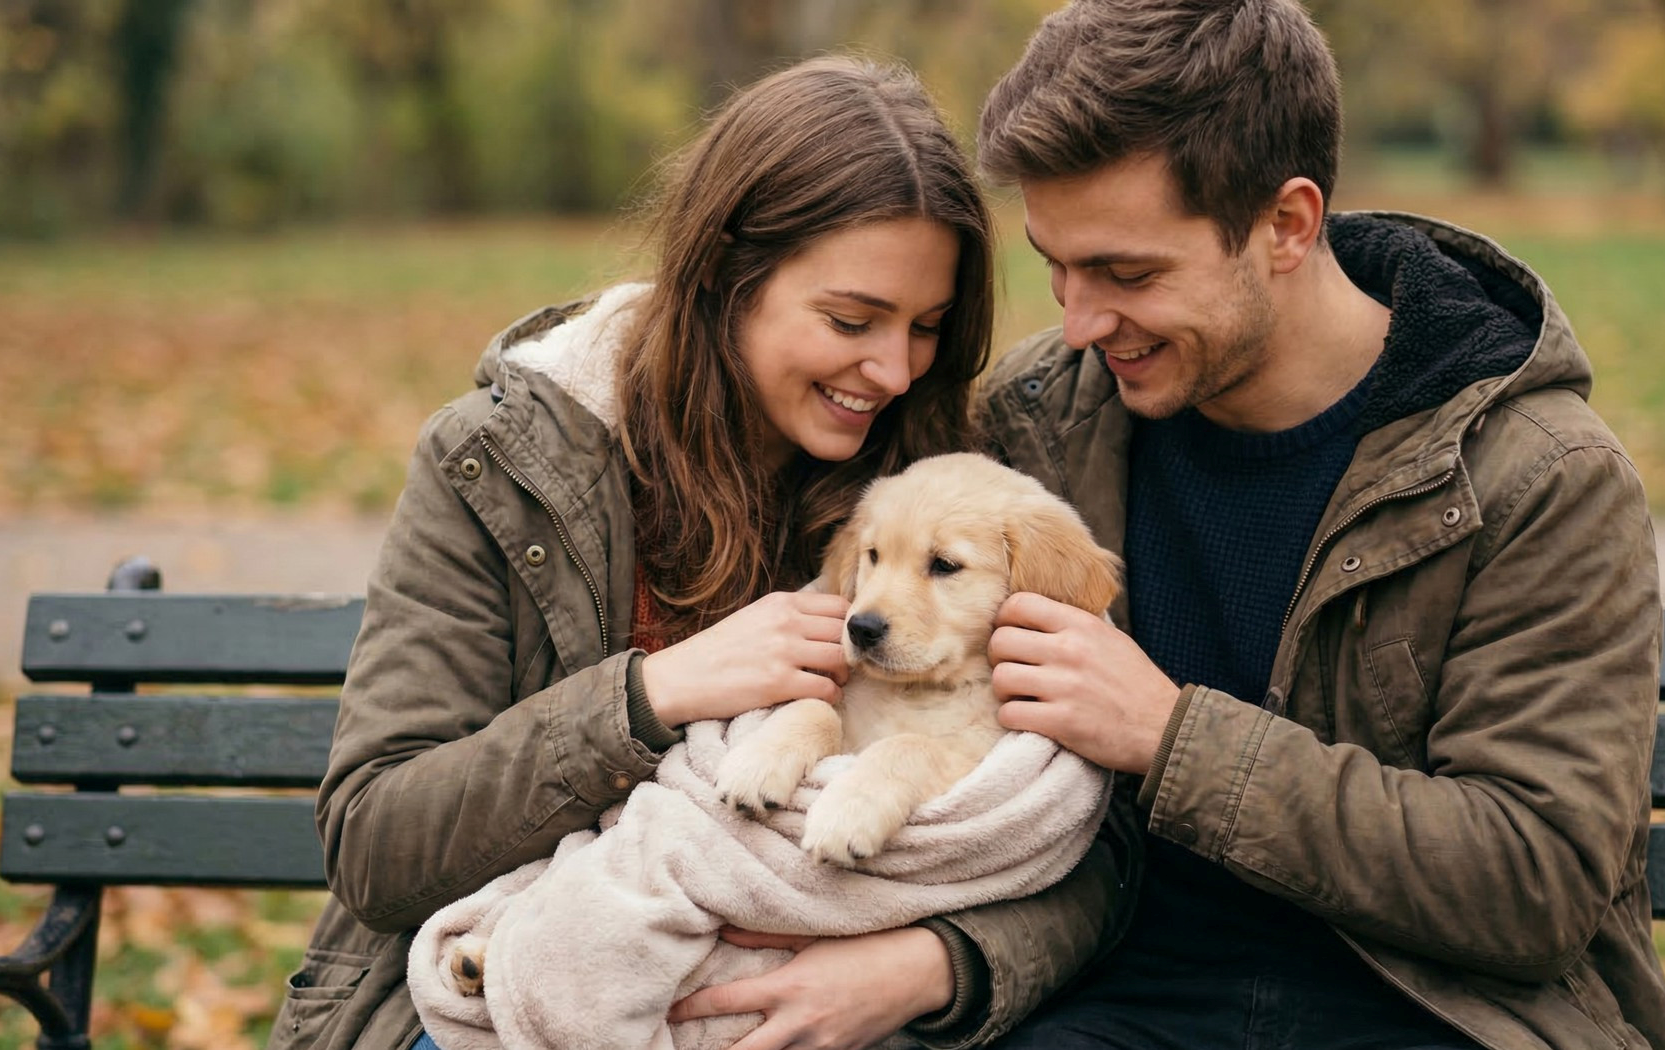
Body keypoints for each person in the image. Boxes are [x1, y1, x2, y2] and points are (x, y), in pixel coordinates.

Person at [263, 56, 1128, 1050]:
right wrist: (649, 696)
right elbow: (378, 843)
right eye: (849, 320)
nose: (891, 370)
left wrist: (931, 967)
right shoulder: (497, 467)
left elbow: (1087, 837)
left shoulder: (949, 487)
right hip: (501, 1004)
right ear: (723, 276)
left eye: (925, 327)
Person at [971, 2, 1665, 1048]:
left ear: (1287, 225)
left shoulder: (1535, 477)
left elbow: (1531, 880)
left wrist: (1173, 740)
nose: (1078, 322)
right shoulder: (1038, 429)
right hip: (1108, 1005)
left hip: (1440, 1015)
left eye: (1128, 274)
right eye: (1055, 264)